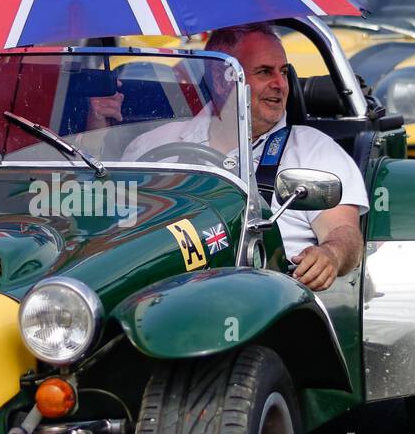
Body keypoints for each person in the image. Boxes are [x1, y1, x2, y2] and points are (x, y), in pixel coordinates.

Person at [122, 24, 368, 290]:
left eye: (283, 72)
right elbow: (118, 227)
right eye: (264, 72)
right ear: (220, 79)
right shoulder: (150, 145)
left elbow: (344, 234)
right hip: (162, 293)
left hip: (272, 299)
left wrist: (330, 255)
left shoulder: (314, 149)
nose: (280, 84)